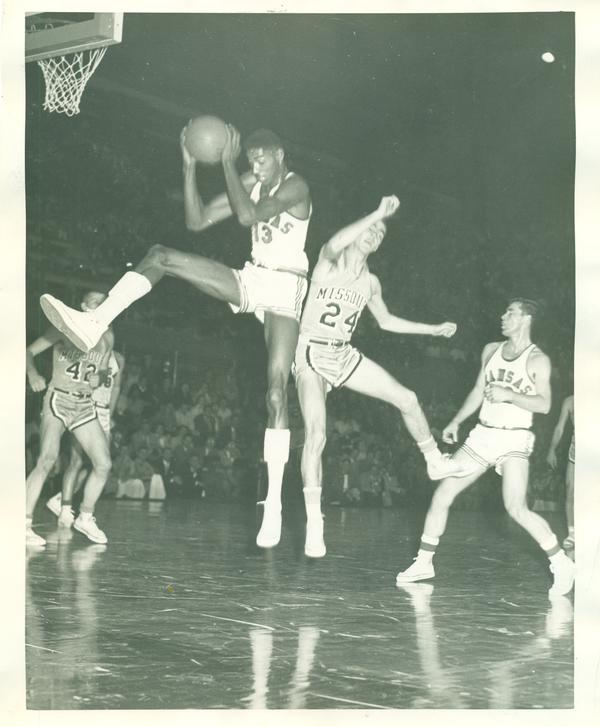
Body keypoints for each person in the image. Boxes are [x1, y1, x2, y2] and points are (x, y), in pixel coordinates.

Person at [38, 124, 312, 549]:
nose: (255, 167)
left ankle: (273, 503)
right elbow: (196, 220)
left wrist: (226, 162)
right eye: (250, 161)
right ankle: (96, 321)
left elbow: (248, 216)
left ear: (279, 155)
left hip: (286, 290)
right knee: (160, 256)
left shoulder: (297, 186)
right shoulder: (250, 180)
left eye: (261, 160)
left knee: (276, 393)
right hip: (253, 278)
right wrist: (188, 168)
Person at [293, 195, 467, 558]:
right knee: (317, 434)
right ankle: (314, 521)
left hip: (343, 353)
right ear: (357, 231)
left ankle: (434, 458)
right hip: (311, 353)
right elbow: (334, 243)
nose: (375, 234)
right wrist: (377, 213)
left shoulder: (371, 282)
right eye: (370, 229)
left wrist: (432, 329)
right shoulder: (329, 264)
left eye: (381, 234)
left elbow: (386, 321)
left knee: (408, 398)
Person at [395, 299, 576, 597]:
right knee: (442, 494)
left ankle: (561, 563)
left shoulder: (537, 359)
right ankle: (424, 563)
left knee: (516, 507)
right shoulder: (491, 350)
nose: (503, 316)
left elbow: (544, 404)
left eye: (510, 312)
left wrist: (509, 394)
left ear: (526, 319)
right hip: (482, 436)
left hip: (514, 438)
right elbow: (479, 390)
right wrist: (456, 421)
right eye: (504, 311)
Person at [25, 291, 114, 546]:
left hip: (84, 403)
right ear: (83, 306)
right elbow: (28, 352)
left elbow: (105, 371)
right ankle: (23, 523)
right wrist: (32, 374)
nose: (101, 304)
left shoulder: (108, 335)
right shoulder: (63, 328)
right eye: (96, 301)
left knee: (103, 464)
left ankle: (85, 517)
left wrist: (101, 377)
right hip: (58, 399)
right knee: (47, 459)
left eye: (104, 301)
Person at [46, 350, 124, 524]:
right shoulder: (88, 351)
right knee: (77, 460)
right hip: (86, 406)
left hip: (103, 411)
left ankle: (62, 498)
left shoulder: (119, 359)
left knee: (101, 464)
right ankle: (64, 505)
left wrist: (110, 414)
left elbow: (117, 388)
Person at [546, 394, 575, 549]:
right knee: (570, 491)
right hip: (576, 450)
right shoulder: (570, 401)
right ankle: (572, 533)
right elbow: (559, 428)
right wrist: (552, 449)